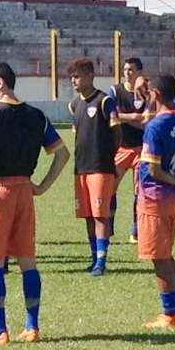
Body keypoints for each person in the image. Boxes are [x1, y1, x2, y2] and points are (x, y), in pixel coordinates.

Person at [0, 62, 69, 344]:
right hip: (24, 190)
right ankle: (31, 327)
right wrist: (41, 186)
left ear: (0, 83)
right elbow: (62, 154)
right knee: (27, 260)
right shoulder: (37, 115)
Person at [137, 75, 175, 327]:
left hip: (154, 195)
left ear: (156, 93)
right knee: (166, 252)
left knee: (159, 256)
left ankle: (169, 314)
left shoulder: (155, 128)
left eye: (149, 93)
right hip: (172, 198)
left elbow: (155, 170)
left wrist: (174, 179)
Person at [68, 59, 122, 276]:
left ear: (90, 75)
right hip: (81, 168)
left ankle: (102, 261)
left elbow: (117, 134)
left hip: (101, 167)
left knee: (101, 215)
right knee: (88, 215)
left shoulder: (104, 101)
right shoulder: (75, 105)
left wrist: (107, 155)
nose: (74, 81)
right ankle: (93, 257)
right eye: (72, 77)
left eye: (78, 76)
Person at [109, 58, 151, 244]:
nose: (127, 72)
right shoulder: (115, 91)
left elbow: (147, 123)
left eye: (131, 70)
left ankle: (135, 231)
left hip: (141, 148)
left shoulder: (146, 93)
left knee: (138, 190)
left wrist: (124, 117)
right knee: (111, 187)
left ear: (139, 72)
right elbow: (112, 115)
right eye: (125, 69)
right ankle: (108, 229)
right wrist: (133, 116)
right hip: (121, 148)